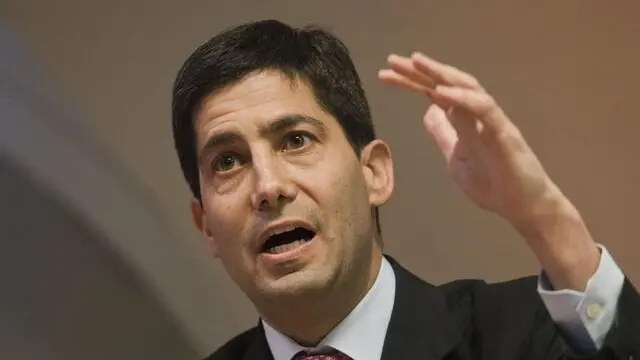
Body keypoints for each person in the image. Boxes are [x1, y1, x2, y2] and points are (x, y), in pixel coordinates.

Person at [171, 19, 639, 360]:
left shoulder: (522, 334)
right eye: (227, 161)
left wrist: (541, 216)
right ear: (206, 227)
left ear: (374, 172)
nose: (268, 187)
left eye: (296, 140)